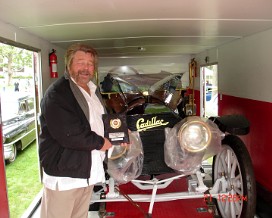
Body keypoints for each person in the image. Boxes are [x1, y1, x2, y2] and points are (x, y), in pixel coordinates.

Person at [39, 43, 124, 218]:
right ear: (69, 64)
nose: (85, 68)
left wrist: (120, 133)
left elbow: (100, 122)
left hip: (87, 171)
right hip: (65, 176)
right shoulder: (58, 93)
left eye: (90, 64)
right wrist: (101, 142)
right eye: (80, 62)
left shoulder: (92, 90)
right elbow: (69, 134)